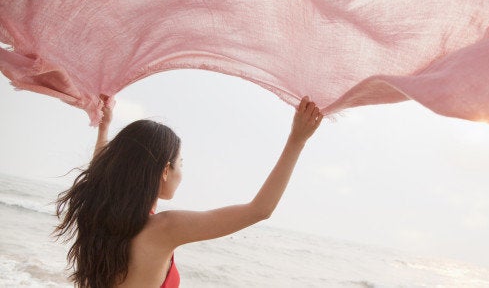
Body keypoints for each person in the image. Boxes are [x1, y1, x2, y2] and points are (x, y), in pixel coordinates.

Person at [55, 95, 323, 288]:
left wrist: (104, 128)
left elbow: (100, 176)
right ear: (164, 170)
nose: (183, 173)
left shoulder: (95, 216)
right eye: (181, 163)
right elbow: (259, 210)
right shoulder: (165, 228)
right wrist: (297, 139)